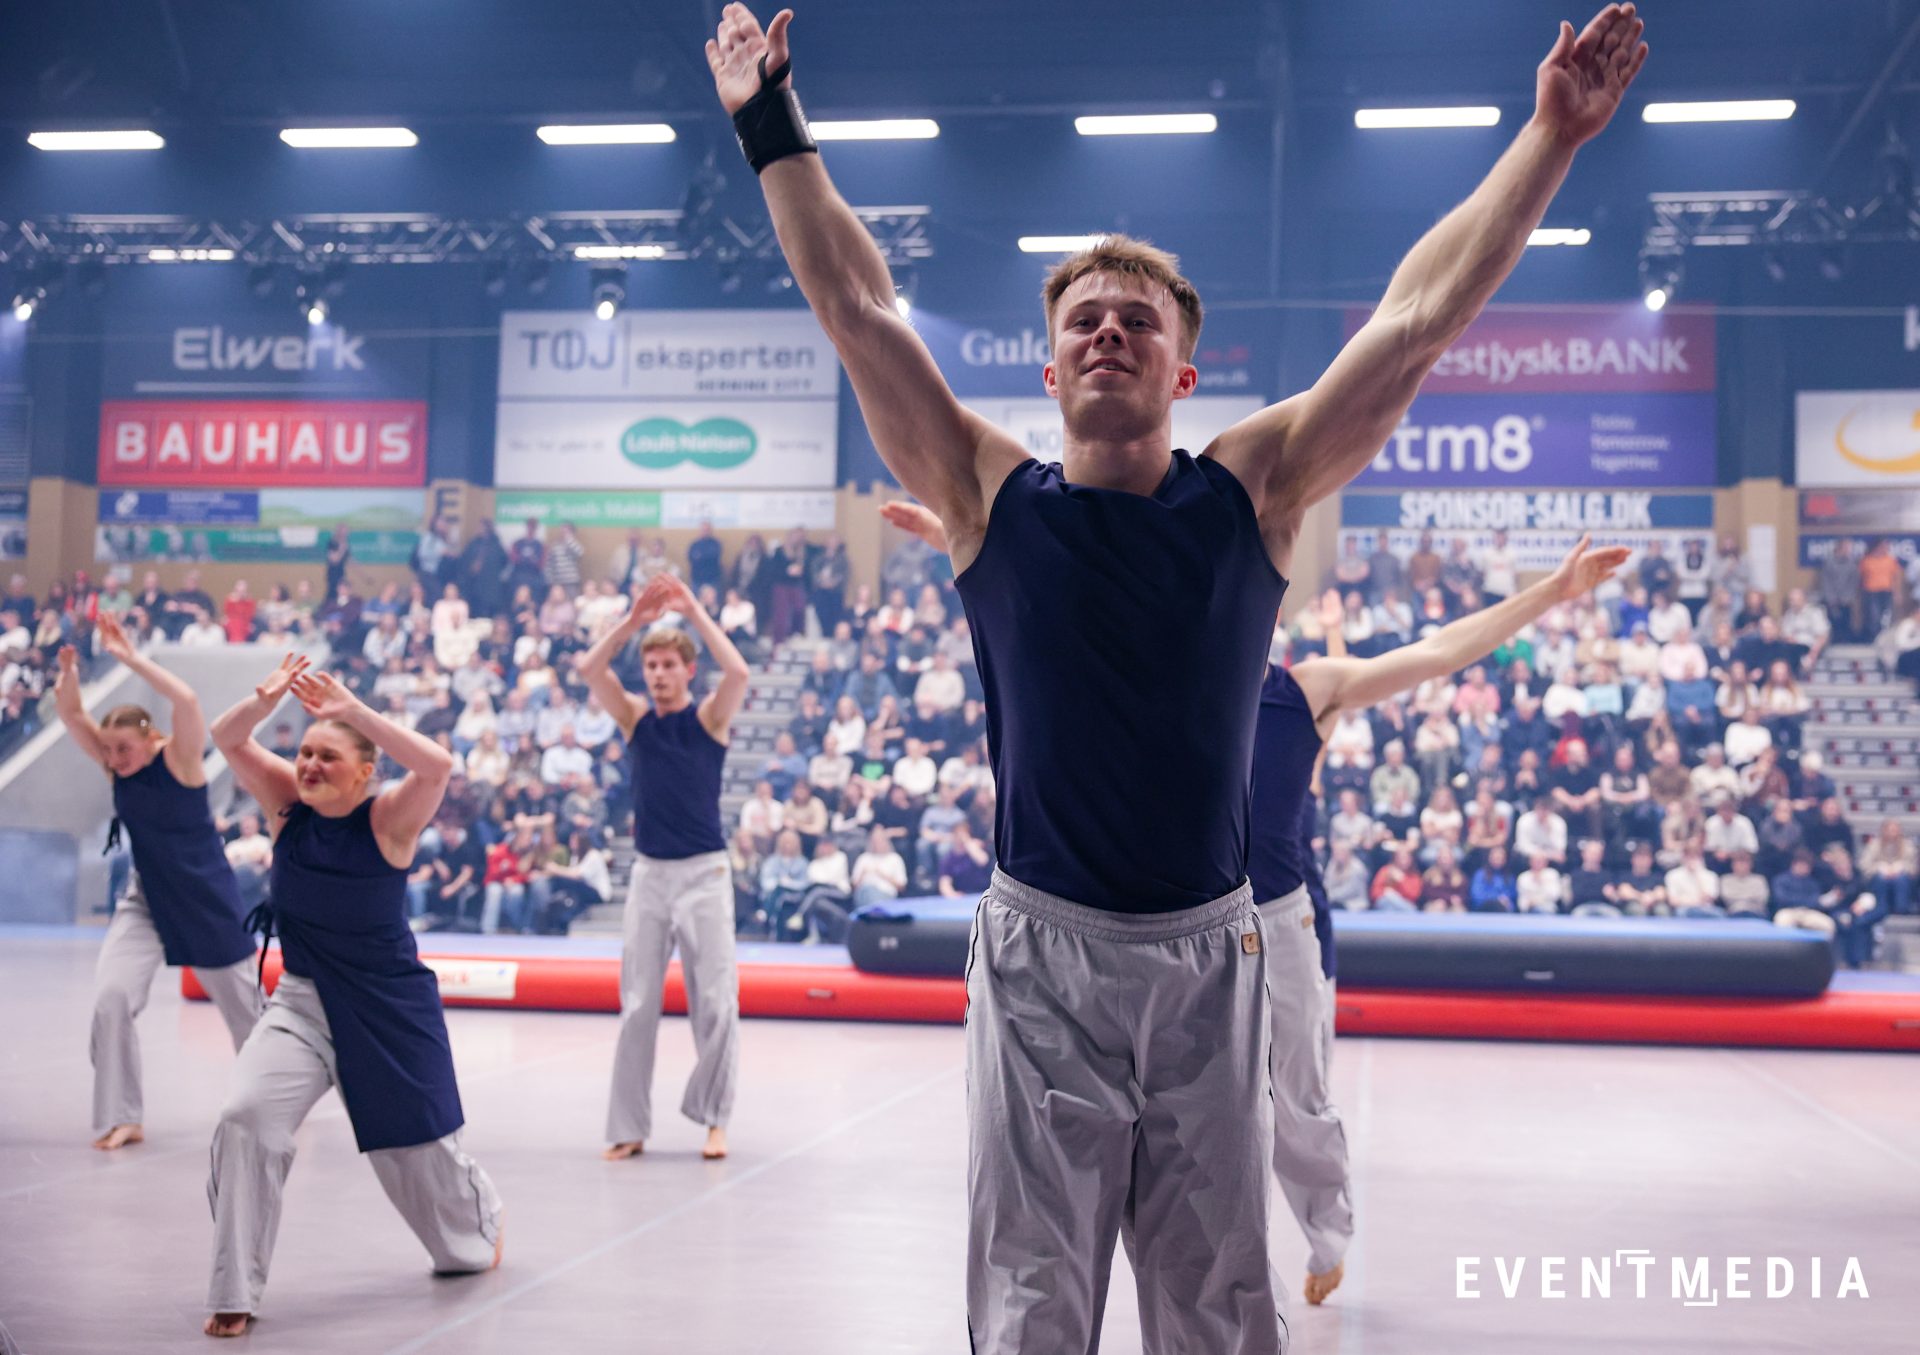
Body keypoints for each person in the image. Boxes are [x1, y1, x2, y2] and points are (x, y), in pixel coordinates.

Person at [707, 5, 1644, 1347]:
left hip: (1213, 953)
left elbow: (1414, 323)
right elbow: (855, 308)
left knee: (1218, 1311)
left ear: (1181, 367)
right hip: (1041, 953)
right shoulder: (986, 494)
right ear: (1047, 367)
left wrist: (1551, 137)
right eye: (1083, 320)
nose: (1107, 334)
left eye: (1135, 321)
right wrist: (768, 119)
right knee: (1031, 1305)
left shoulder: (1252, 489)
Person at [886, 506, 1627, 1316]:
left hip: (1276, 919)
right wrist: (959, 535)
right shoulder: (1164, 674)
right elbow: (1061, 595)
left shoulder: (1307, 691)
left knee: (1298, 1101)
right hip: (1192, 929)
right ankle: (1239, 1279)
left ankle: (1328, 1227)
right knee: (1221, 1125)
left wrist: (1551, 592)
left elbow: (1439, 651)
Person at [204, 657, 502, 1337]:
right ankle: (234, 1288)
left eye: (327, 756)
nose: (309, 765)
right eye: (305, 752)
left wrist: (355, 710)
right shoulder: (286, 802)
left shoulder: (389, 818)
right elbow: (227, 737)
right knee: (245, 1114)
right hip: (302, 1001)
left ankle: (478, 1223)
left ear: (365, 772)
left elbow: (436, 767)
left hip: (386, 1007)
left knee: (420, 1159)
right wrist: (265, 700)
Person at [51, 617, 262, 1151]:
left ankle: (272, 1101)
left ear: (150, 740)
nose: (112, 759)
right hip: (146, 900)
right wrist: (70, 676)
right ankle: (124, 1116)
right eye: (107, 751)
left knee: (247, 1015)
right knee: (112, 997)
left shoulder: (181, 761)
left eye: (122, 749)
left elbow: (187, 700)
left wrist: (129, 657)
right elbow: (72, 715)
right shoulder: (116, 766)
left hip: (206, 900)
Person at [578, 572, 751, 1162]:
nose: (656, 674)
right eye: (650, 666)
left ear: (687, 672)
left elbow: (739, 673)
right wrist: (633, 622)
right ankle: (629, 1126)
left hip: (704, 874)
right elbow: (589, 670)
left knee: (716, 1002)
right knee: (637, 1004)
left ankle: (715, 1119)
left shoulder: (708, 721)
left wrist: (693, 610)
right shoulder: (634, 719)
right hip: (650, 875)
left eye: (667, 666)